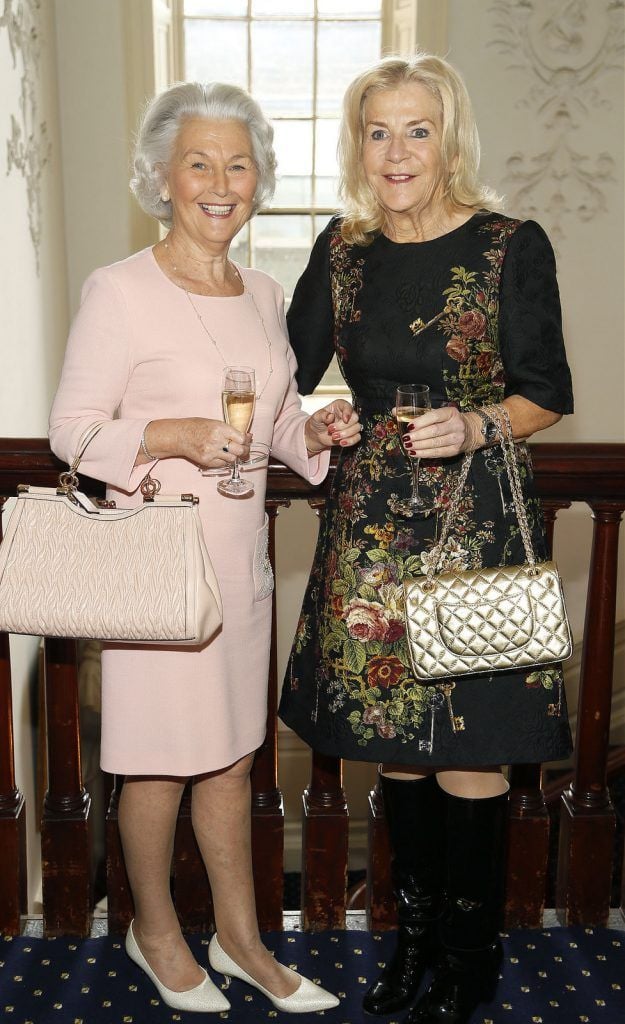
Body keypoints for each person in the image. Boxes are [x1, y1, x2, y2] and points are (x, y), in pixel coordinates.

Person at [49, 81, 360, 1015]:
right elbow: (70, 429)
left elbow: (271, 433)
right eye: (200, 162)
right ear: (162, 176)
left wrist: (319, 432)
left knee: (231, 757)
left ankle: (242, 940)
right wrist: (168, 436)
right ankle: (154, 933)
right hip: (155, 562)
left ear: (257, 178)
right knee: (155, 762)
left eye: (238, 163)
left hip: (239, 569)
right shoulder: (119, 288)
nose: (221, 182)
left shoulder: (264, 294)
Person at [279, 54, 573, 1024]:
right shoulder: (342, 250)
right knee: (393, 750)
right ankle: (409, 945)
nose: (397, 151)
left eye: (416, 129)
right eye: (378, 131)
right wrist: (322, 421)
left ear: (448, 136)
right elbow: (292, 373)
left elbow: (546, 393)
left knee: (470, 753)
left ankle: (468, 956)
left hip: (473, 522)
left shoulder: (508, 245)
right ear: (357, 144)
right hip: (370, 529)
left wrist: (479, 422)